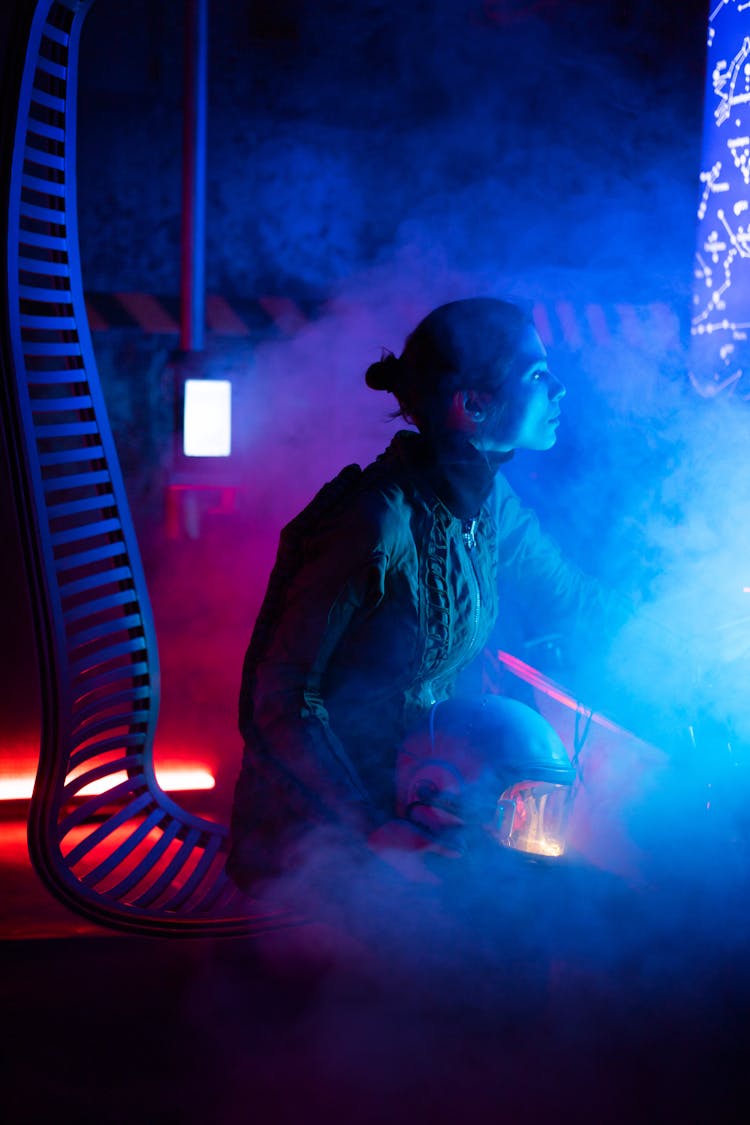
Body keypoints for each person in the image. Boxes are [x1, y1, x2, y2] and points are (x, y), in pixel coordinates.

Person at [227, 297, 623, 896]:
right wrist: (371, 830)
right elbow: (281, 701)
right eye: (538, 375)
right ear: (473, 405)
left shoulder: (488, 502)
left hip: (423, 798)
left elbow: (572, 599)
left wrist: (695, 637)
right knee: (564, 918)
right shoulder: (375, 521)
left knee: (592, 893)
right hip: (326, 834)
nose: (560, 389)